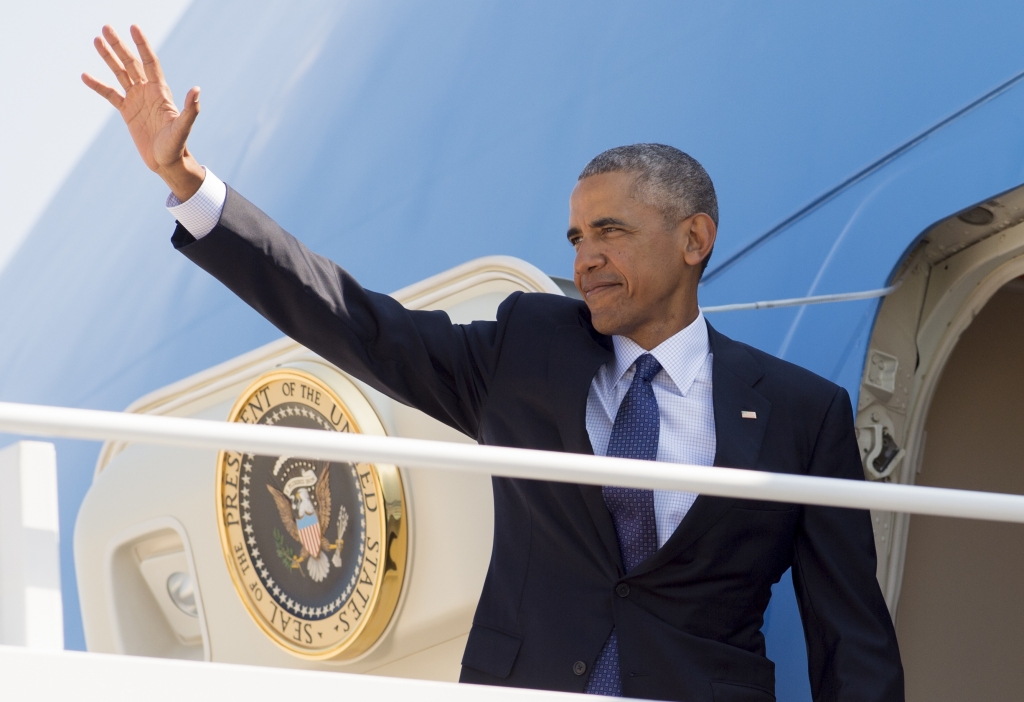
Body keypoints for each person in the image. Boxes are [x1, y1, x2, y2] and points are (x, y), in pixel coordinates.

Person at [83, 25, 903, 702]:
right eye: (577, 239)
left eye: (611, 232)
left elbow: (851, 640)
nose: (585, 259)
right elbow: (353, 320)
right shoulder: (527, 349)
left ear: (694, 239)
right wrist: (190, 185)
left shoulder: (802, 412)